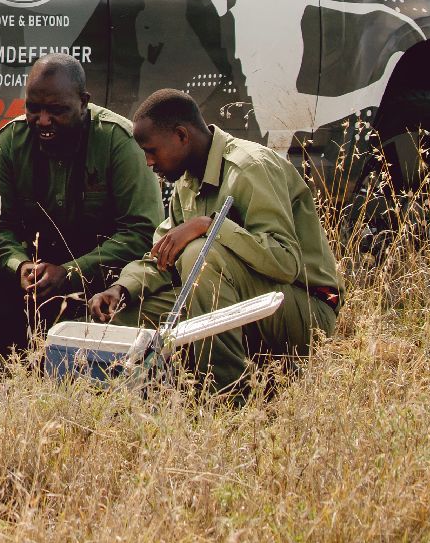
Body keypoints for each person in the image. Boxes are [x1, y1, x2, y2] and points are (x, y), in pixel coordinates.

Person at [86, 88, 343, 393]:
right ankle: (125, 394)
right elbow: (163, 255)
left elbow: (286, 262)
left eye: (152, 151)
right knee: (129, 314)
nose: (148, 163)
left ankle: (226, 397)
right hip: (243, 299)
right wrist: (121, 289)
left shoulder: (250, 167)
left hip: (305, 308)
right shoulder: (185, 180)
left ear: (182, 135)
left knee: (200, 254)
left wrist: (209, 227)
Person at [0, 54, 162, 351]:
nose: (43, 120)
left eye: (57, 110)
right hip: (32, 273)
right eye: (33, 108)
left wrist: (72, 272)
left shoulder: (118, 141)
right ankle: (5, 356)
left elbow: (141, 232)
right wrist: (19, 266)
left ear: (84, 102)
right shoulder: (11, 141)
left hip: (102, 274)